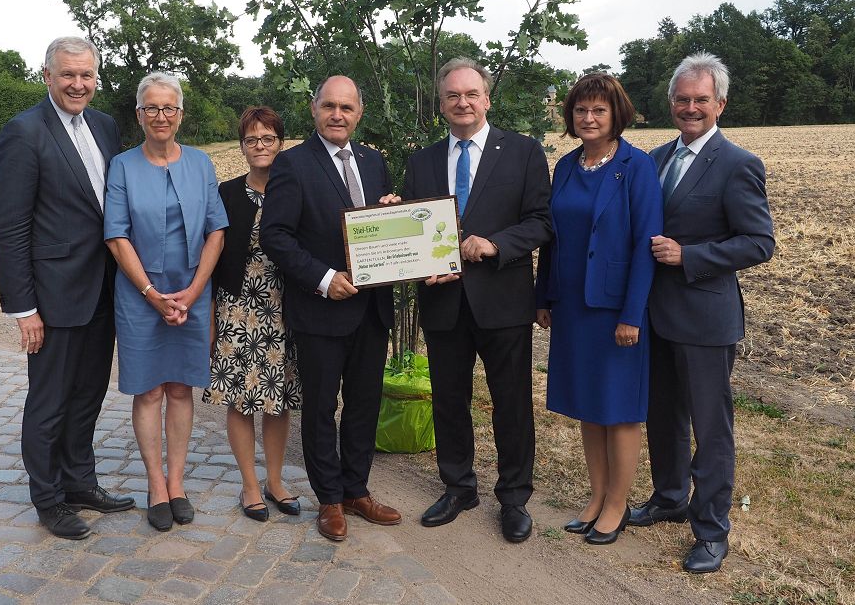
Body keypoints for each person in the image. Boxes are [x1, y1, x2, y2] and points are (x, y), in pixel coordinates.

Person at [629, 52, 775, 574]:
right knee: (663, 414)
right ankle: (669, 497)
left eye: (701, 100)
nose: (691, 108)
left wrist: (690, 256)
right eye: (683, 99)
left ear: (720, 104)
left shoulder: (738, 164)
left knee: (711, 429)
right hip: (656, 315)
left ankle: (711, 530)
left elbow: (759, 243)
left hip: (707, 319)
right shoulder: (655, 158)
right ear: (672, 102)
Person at [402, 57, 552, 543]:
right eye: (452, 96)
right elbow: (411, 230)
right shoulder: (421, 161)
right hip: (444, 302)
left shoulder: (525, 152)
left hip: (503, 300)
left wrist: (497, 245)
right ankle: (459, 487)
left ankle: (514, 498)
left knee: (511, 403)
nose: (462, 103)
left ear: (487, 99)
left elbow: (542, 222)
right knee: (449, 400)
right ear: (440, 104)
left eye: (471, 94)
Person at [0, 35, 134, 540]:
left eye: (86, 75)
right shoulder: (24, 133)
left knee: (89, 394)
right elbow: (9, 228)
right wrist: (23, 308)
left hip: (103, 291)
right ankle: (48, 499)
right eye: (68, 74)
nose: (78, 84)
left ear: (97, 78)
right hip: (52, 297)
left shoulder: (105, 126)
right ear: (46, 75)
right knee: (49, 400)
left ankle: (79, 482)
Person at [259, 76, 401, 542]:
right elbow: (275, 236)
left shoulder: (375, 161)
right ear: (314, 109)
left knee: (364, 404)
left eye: (347, 107)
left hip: (372, 309)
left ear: (360, 112)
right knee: (322, 408)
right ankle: (330, 500)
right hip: (321, 310)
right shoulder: (292, 164)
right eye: (329, 106)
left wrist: (392, 212)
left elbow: (378, 225)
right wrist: (323, 279)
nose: (338, 115)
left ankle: (357, 489)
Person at [534, 73, 663, 545]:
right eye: (581, 110)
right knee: (589, 404)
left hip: (615, 311)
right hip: (571, 306)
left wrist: (632, 314)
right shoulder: (565, 166)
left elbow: (645, 243)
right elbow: (552, 237)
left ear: (616, 115)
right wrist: (544, 295)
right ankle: (595, 496)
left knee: (620, 408)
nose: (588, 118)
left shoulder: (637, 167)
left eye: (598, 111)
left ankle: (617, 504)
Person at [103, 72, 228, 532]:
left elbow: (217, 229)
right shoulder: (122, 166)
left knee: (180, 388)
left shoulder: (200, 164)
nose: (161, 116)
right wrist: (153, 296)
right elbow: (116, 236)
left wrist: (193, 292)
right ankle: (155, 483)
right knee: (149, 389)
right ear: (139, 115)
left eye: (169, 108)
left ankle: (177, 483)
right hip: (140, 296)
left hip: (192, 292)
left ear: (180, 114)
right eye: (151, 108)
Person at [204, 106, 302, 522]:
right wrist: (208, 313)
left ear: (281, 143)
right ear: (242, 146)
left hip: (286, 307)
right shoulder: (225, 193)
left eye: (268, 139)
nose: (260, 146)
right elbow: (208, 252)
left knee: (276, 401)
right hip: (237, 307)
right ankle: (249, 484)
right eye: (251, 140)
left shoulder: (297, 187)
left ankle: (275, 480)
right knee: (241, 401)